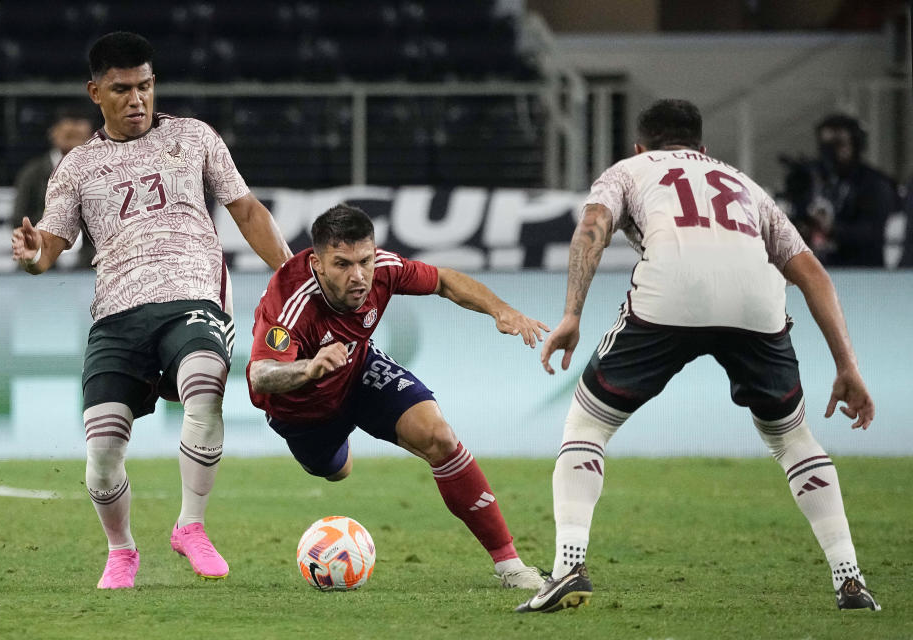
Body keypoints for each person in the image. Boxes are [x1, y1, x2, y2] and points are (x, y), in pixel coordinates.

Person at [517, 99, 880, 613]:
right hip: (756, 299)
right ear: (703, 149)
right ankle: (851, 581)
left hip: (671, 293)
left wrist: (572, 312)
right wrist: (847, 366)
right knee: (792, 439)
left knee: (587, 425)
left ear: (640, 146)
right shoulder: (742, 183)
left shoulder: (628, 170)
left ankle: (568, 568)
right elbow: (812, 273)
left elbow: (592, 228)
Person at [10, 31, 292, 590]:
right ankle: (122, 551)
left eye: (145, 85)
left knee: (205, 383)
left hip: (192, 297)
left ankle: (191, 525)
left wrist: (292, 276)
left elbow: (247, 210)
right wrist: (31, 254)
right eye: (122, 89)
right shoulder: (77, 168)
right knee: (103, 452)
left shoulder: (193, 138)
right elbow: (50, 245)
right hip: (117, 314)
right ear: (96, 92)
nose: (137, 98)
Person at [247, 204, 548, 590]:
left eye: (364, 261)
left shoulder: (384, 270)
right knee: (337, 470)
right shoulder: (290, 301)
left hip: (357, 372)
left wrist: (500, 310)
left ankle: (510, 566)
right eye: (342, 264)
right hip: (304, 412)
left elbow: (443, 281)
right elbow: (261, 375)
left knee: (438, 436)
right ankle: (339, 442)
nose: (358, 276)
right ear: (318, 264)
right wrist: (309, 368)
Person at [779, 113, 900, 266]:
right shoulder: (812, 179)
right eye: (825, 146)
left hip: (863, 274)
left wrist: (833, 230)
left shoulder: (874, 184)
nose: (831, 153)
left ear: (855, 145)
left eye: (839, 145)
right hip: (818, 271)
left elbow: (872, 232)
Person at [11, 108, 95, 268]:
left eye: (79, 137)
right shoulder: (32, 173)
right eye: (68, 136)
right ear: (53, 134)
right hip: (40, 258)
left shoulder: (103, 174)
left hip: (90, 264)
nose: (74, 143)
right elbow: (18, 219)